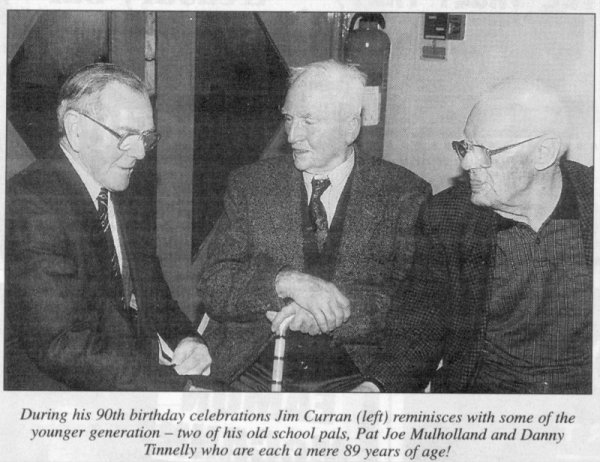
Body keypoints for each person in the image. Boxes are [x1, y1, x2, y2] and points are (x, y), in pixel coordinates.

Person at [196, 60, 431, 392]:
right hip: (252, 369)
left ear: (351, 126)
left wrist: (333, 313)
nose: (293, 136)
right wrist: (283, 282)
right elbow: (213, 283)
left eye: (309, 121)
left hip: (353, 374)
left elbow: (413, 307)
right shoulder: (251, 185)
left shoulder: (403, 194)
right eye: (289, 119)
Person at [362, 79, 592, 393]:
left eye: (485, 152)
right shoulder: (448, 217)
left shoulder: (591, 205)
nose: (467, 163)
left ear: (544, 152)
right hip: (483, 405)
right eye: (466, 147)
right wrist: (375, 388)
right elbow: (419, 329)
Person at [5, 63, 212, 391]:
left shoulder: (116, 187)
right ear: (75, 129)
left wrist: (186, 339)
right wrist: (173, 388)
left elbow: (153, 295)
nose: (141, 152)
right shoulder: (30, 203)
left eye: (146, 137)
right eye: (127, 135)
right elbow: (61, 344)